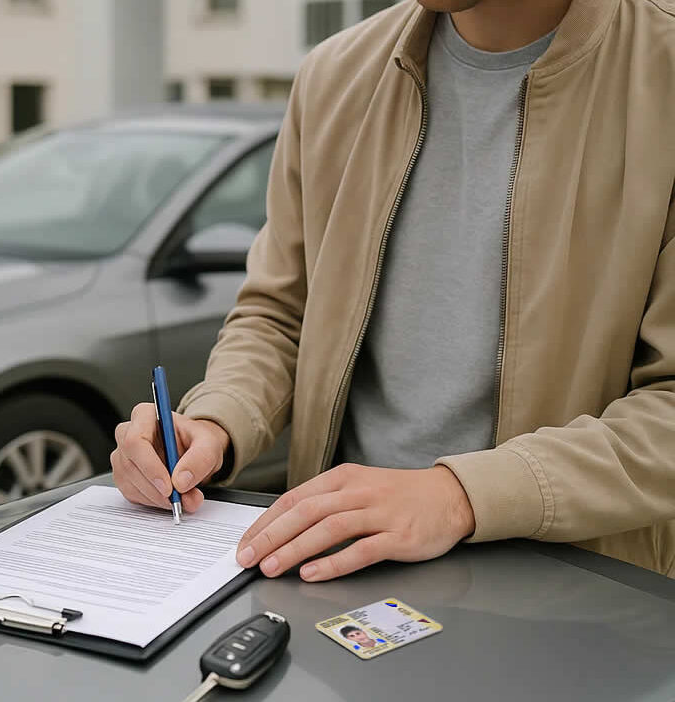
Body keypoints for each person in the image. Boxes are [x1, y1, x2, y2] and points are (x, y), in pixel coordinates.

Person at [113, 0, 675, 583]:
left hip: (577, 604)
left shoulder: (660, 69)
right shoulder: (335, 75)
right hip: (334, 579)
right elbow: (279, 314)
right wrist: (215, 423)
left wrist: (461, 496)